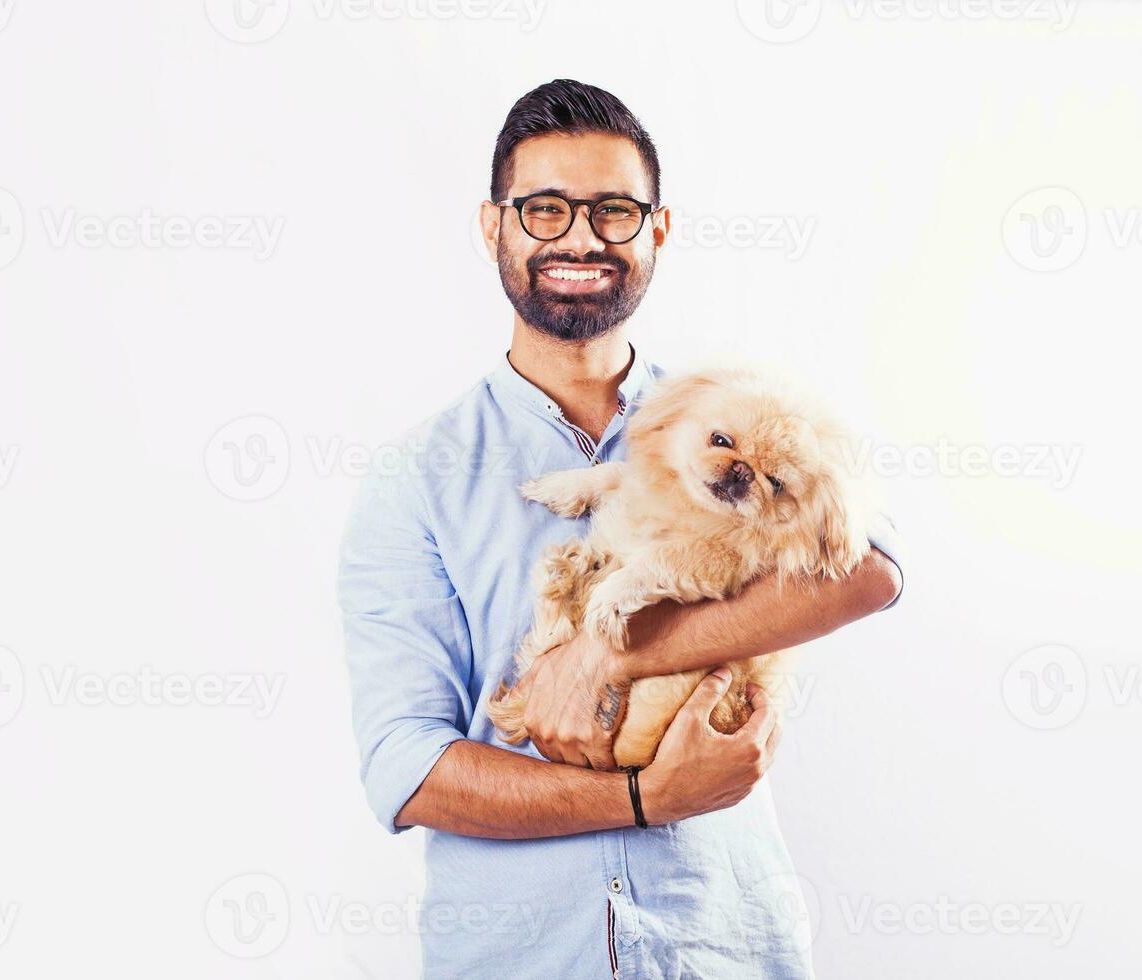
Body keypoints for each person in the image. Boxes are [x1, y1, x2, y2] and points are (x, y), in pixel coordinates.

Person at [338, 78, 904, 979]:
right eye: (546, 209)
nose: (581, 238)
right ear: (494, 226)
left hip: (723, 944)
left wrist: (612, 654)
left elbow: (870, 573)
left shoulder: (729, 410)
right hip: (519, 958)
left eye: (613, 210)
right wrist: (646, 799)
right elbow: (408, 770)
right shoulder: (414, 482)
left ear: (658, 230)